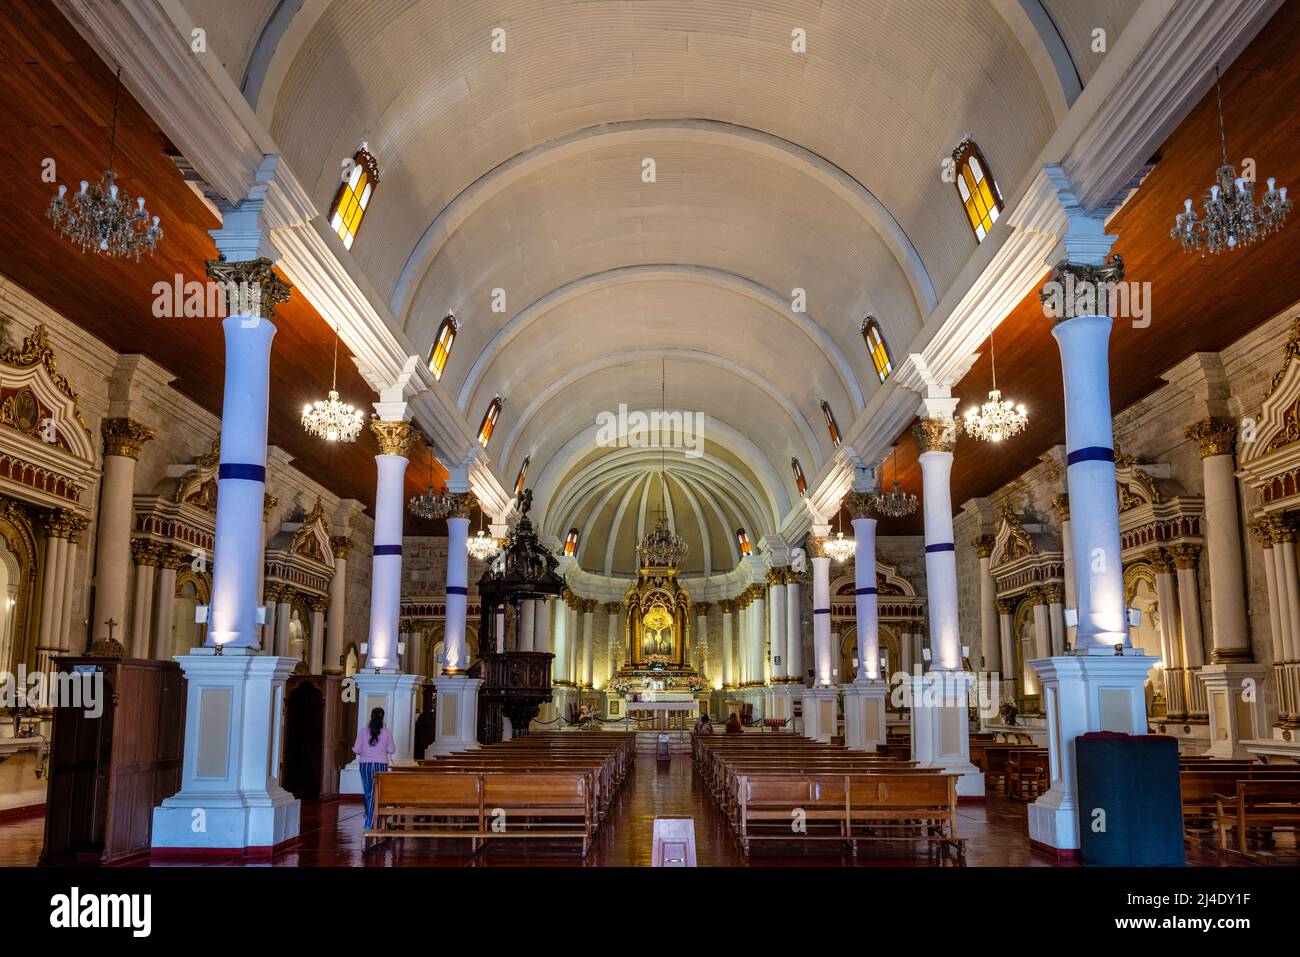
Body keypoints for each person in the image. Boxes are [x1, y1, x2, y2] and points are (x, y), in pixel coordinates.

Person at [353, 707, 395, 831]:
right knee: (375, 792)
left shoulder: (363, 731)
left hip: (365, 764)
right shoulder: (386, 732)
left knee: (368, 792)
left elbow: (356, 749)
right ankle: (370, 821)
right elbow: (391, 750)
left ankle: (369, 818)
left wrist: (367, 752)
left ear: (371, 716)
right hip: (380, 765)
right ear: (382, 717)